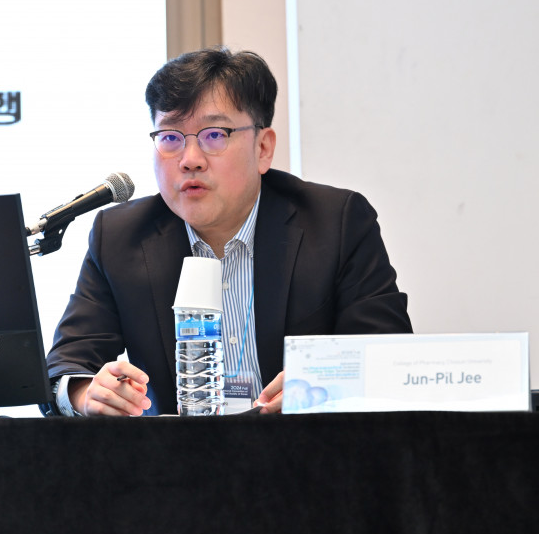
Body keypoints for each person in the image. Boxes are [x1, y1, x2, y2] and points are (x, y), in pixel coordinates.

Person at [41, 47, 411, 417]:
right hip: (176, 452)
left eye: (214, 135)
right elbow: (65, 368)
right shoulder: (120, 237)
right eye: (170, 137)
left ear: (263, 148)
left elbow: (390, 359)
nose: (190, 160)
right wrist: (85, 394)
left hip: (305, 445)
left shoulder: (335, 223)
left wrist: (328, 386)